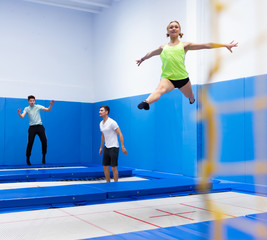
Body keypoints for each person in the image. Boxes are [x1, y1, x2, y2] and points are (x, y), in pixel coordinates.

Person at [136, 20, 238, 110]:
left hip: (183, 78)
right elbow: (151, 53)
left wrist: (225, 45)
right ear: (167, 32)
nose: (174, 28)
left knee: (190, 95)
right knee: (159, 90)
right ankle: (146, 102)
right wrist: (142, 59)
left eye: (176, 27)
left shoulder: (185, 45)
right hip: (167, 78)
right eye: (171, 27)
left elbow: (206, 45)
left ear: (180, 31)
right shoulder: (163, 47)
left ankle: (191, 98)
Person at [17, 95, 55, 165]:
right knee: (30, 143)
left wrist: (51, 105)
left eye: (33, 101)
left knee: (44, 141)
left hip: (40, 126)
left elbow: (48, 110)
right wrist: (19, 113)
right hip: (32, 128)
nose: (32, 102)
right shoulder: (26, 108)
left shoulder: (38, 106)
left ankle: (43, 156)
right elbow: (22, 116)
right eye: (30, 101)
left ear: (34, 101)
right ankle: (28, 158)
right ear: (28, 101)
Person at [99, 106, 127, 182]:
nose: (99, 112)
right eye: (100, 110)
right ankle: (108, 183)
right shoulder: (101, 123)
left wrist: (123, 146)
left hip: (114, 147)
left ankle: (115, 184)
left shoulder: (112, 122)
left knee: (113, 167)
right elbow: (103, 136)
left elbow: (120, 134)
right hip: (106, 147)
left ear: (106, 112)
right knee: (105, 166)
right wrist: (101, 147)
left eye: (101, 110)